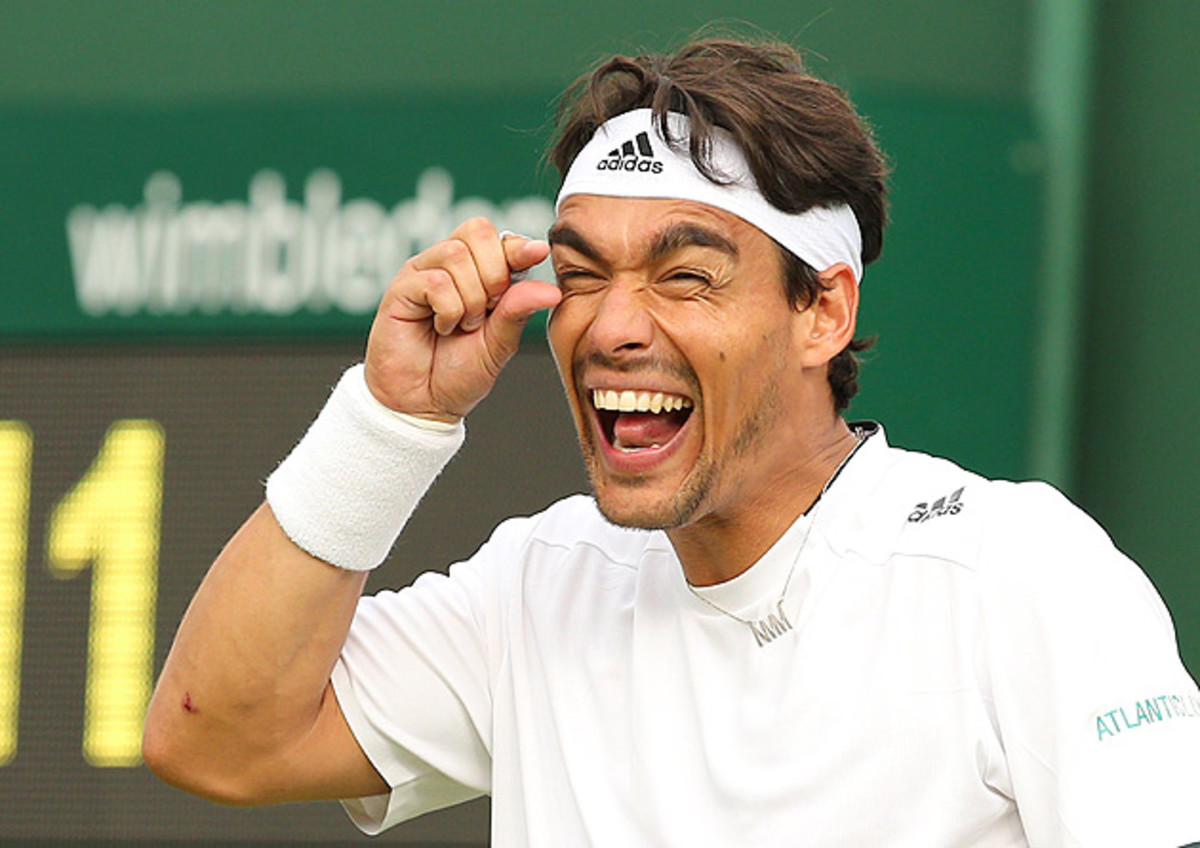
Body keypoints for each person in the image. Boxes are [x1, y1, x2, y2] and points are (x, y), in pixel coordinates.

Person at [142, 36, 1200, 847]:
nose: (612, 325)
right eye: (584, 273)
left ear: (822, 312)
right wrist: (388, 421)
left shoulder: (1017, 574)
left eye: (686, 275)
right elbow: (215, 733)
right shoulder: (539, 584)